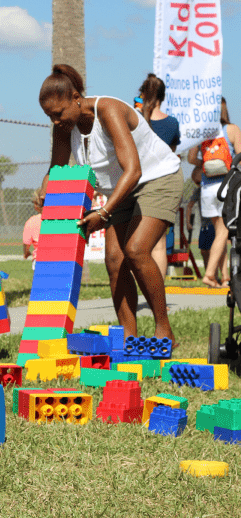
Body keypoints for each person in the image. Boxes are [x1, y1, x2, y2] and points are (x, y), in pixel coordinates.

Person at [36, 64, 183, 345]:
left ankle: (164, 330)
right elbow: (55, 169)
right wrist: (44, 189)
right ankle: (129, 338)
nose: (55, 121)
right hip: (122, 190)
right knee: (115, 261)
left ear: (76, 98)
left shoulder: (109, 110)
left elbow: (134, 170)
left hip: (158, 179)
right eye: (49, 116)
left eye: (58, 113)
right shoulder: (64, 129)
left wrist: (102, 213)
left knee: (136, 250)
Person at [188, 98, 241, 288]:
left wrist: (206, 164)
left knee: (219, 232)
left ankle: (225, 277)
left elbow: (191, 158)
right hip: (227, 187)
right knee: (224, 232)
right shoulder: (232, 129)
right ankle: (210, 274)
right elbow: (240, 158)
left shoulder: (202, 133)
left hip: (207, 188)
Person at [137, 73, 181, 279]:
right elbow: (171, 154)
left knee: (135, 243)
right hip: (163, 185)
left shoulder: (136, 120)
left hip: (138, 183)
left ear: (143, 94)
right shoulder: (172, 124)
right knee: (160, 243)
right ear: (163, 97)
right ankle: (157, 290)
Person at [185, 165, 226, 283]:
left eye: (197, 180)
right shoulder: (199, 190)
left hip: (215, 223)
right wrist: (188, 222)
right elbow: (189, 206)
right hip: (204, 225)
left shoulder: (213, 186)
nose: (196, 182)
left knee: (217, 248)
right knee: (204, 251)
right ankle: (211, 272)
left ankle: (217, 275)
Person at [23, 188, 44, 270]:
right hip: (58, 259)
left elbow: (26, 242)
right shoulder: (57, 220)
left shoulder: (31, 221)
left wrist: (26, 252)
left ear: (36, 205)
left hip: (39, 259)